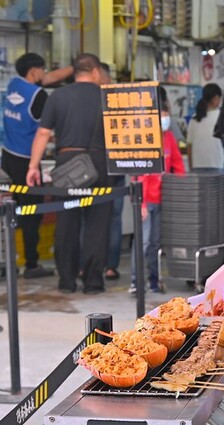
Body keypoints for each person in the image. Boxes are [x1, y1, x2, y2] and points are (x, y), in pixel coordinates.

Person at [26, 53, 114, 295]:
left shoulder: (58, 96)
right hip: (100, 162)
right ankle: (93, 283)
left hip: (67, 163)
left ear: (75, 72)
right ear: (95, 71)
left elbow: (43, 134)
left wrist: (33, 167)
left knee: (67, 223)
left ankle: (67, 281)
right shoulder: (107, 96)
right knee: (97, 224)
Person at [1, 52, 72, 279]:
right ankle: (32, 265)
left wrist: (72, 69)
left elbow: (48, 80)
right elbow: (44, 129)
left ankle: (7, 262)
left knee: (11, 212)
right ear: (34, 71)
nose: (45, 73)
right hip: (26, 161)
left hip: (7, 157)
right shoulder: (38, 95)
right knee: (32, 214)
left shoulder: (13, 85)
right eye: (42, 69)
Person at [129, 103, 185, 295]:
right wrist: (141, 202)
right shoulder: (145, 139)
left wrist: (181, 189)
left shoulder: (168, 137)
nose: (165, 118)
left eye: (167, 114)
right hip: (145, 200)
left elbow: (177, 163)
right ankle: (136, 283)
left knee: (154, 243)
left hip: (162, 199)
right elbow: (138, 174)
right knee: (142, 243)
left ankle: (153, 281)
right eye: (162, 114)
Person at [98, 62, 125, 280]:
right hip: (116, 167)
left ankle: (87, 265)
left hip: (97, 170)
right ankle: (110, 266)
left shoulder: (91, 104)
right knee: (114, 218)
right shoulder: (118, 105)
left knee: (90, 218)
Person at [186, 83, 224, 170]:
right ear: (215, 98)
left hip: (197, 166)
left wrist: (191, 167)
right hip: (218, 164)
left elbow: (189, 145)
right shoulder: (222, 116)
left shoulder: (194, 118)